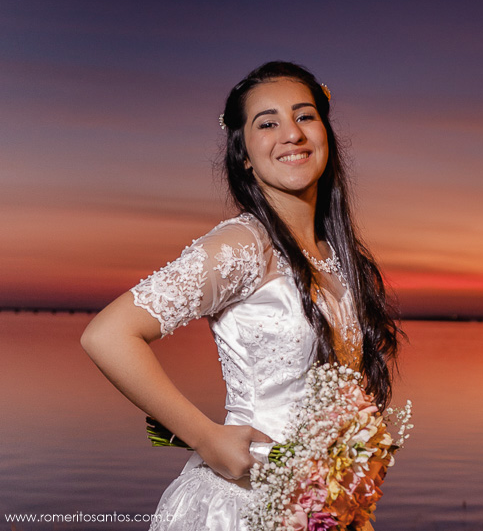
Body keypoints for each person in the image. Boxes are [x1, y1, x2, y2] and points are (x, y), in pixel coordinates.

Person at [81, 61, 400, 530]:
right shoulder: (244, 244)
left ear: (326, 136)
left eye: (304, 116)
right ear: (245, 154)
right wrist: (205, 438)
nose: (291, 133)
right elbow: (108, 335)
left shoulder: (339, 258)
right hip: (241, 503)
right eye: (267, 123)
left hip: (320, 509)